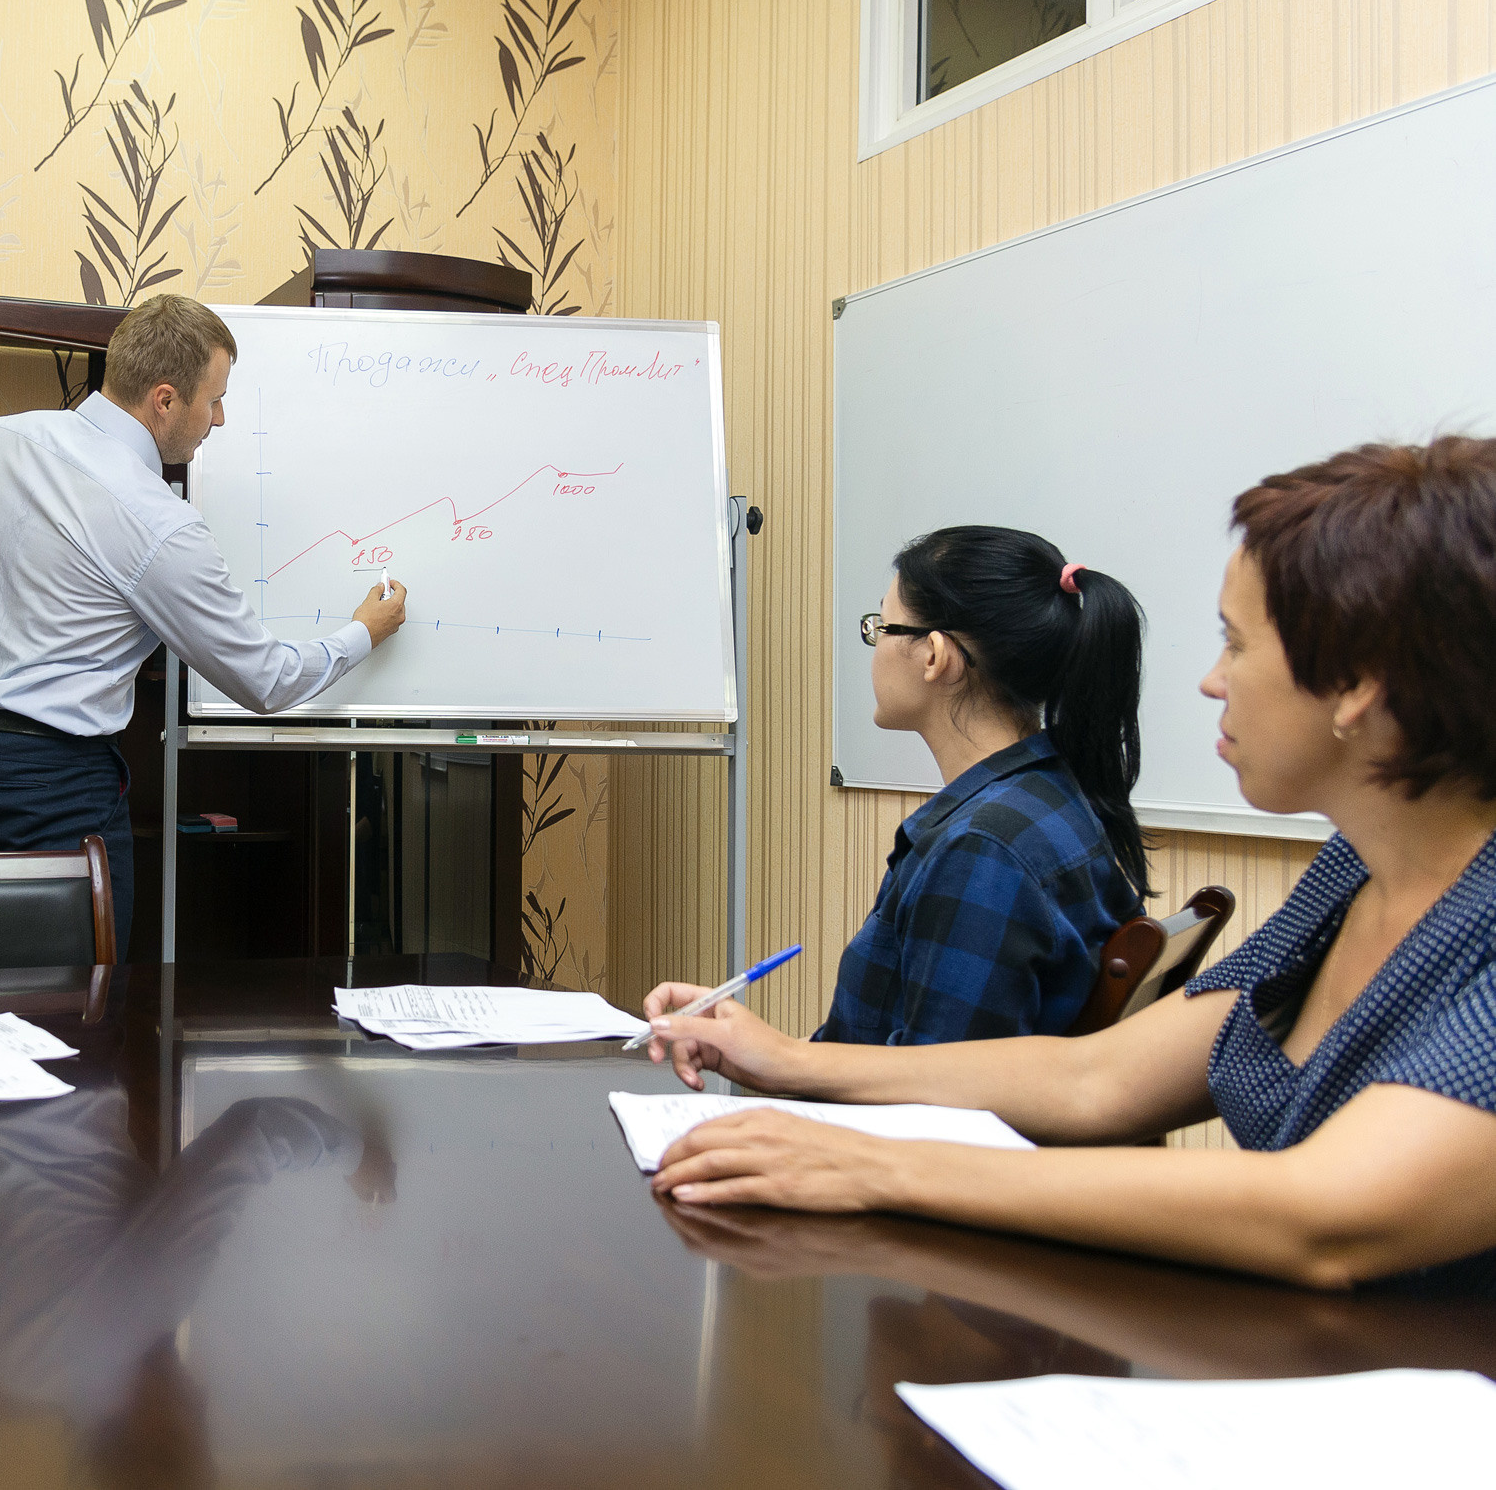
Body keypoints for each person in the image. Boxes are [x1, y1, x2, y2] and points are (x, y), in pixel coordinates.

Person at [638, 437, 1496, 1294]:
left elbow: (1326, 1216)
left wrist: (875, 1165)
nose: (1209, 679)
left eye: (1236, 644)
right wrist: (789, 1062)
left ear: (1356, 684)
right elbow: (1098, 1077)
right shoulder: (1354, 872)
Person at [0, 294, 409, 950]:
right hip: (50, 788)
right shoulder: (155, 518)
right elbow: (264, 681)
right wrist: (364, 631)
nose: (220, 418)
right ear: (164, 400)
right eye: (213, 399)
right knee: (79, 1016)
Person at [829, 527, 1150, 1043]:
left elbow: (935, 1095)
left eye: (881, 627)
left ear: (934, 655)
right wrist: (764, 1051)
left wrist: (779, 1065)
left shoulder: (983, 850)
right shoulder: (1046, 796)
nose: (875, 644)